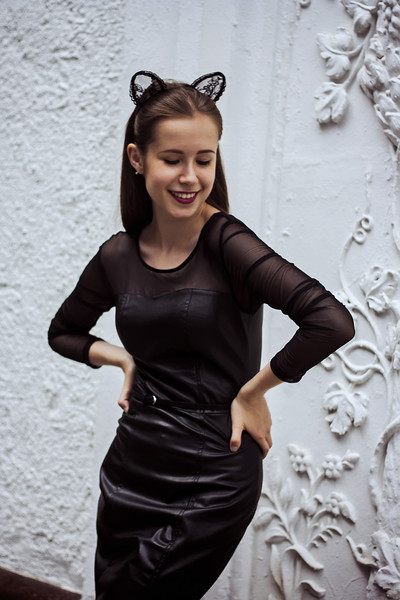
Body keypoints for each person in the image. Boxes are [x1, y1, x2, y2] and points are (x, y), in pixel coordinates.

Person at [48, 70, 355, 600]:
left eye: (204, 160)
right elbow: (64, 332)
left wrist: (254, 392)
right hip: (133, 461)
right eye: (173, 159)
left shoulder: (226, 242)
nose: (190, 177)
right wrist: (122, 359)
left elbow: (330, 320)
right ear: (137, 158)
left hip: (215, 465)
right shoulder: (117, 255)